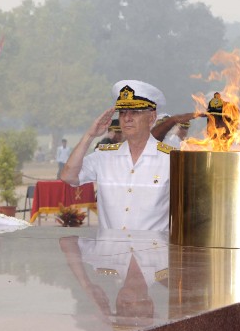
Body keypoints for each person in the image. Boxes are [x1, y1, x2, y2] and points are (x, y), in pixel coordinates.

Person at [60, 80, 172, 231]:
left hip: (152, 251)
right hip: (110, 251)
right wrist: (90, 135)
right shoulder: (104, 156)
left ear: (152, 117)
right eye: (123, 113)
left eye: (135, 112)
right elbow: (68, 176)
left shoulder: (171, 159)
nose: (127, 118)